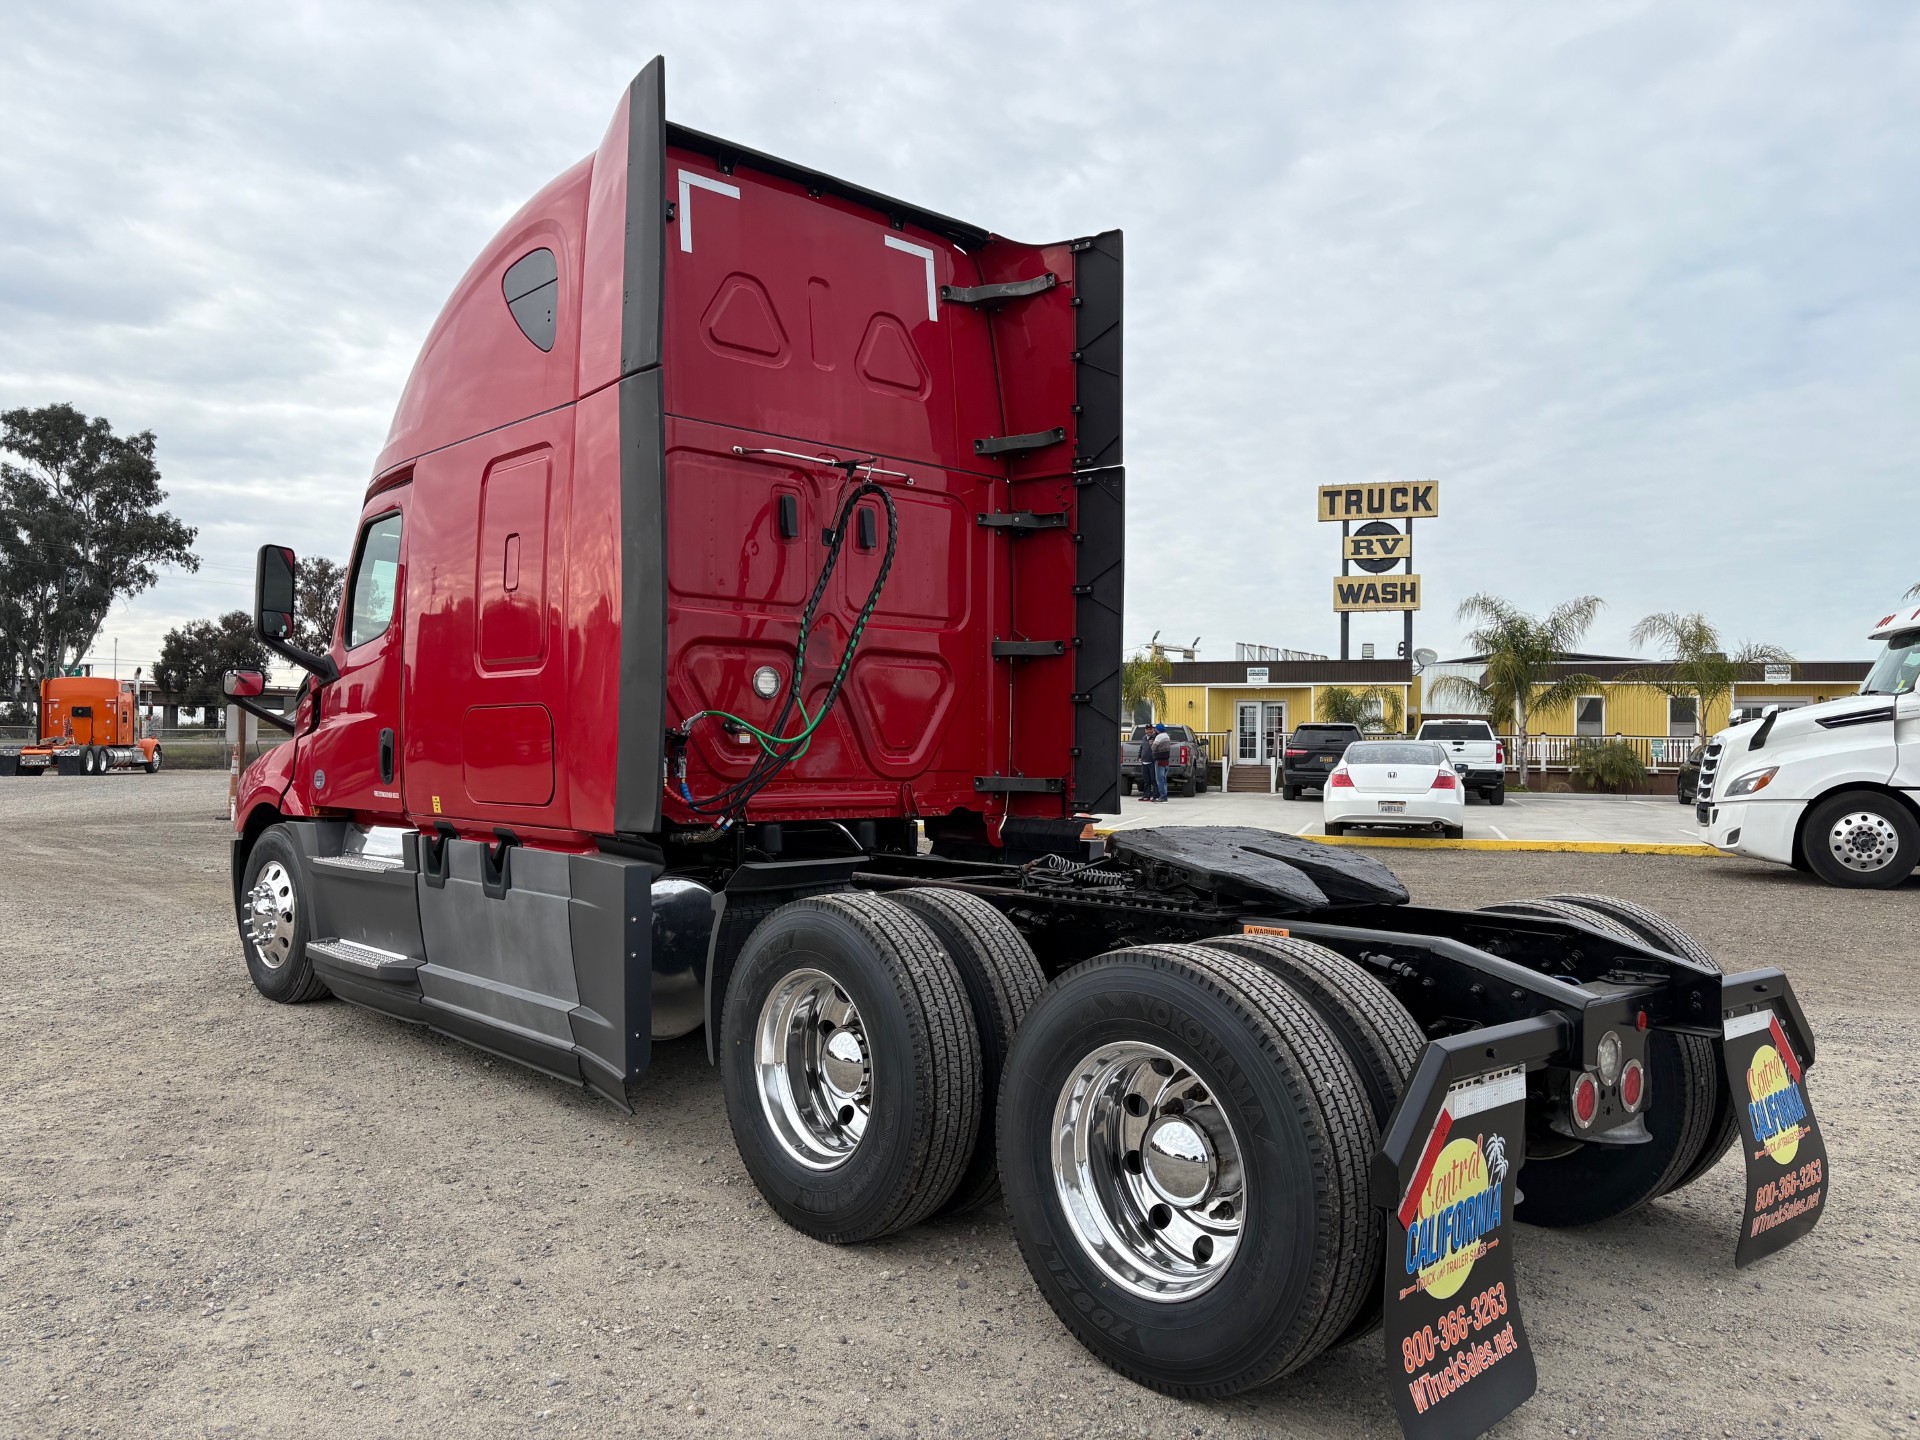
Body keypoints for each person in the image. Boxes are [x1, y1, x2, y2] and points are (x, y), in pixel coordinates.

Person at [1151, 723, 1173, 801]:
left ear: (1157, 730)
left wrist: (1151, 744)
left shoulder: (1159, 737)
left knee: (1159, 779)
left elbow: (1153, 748)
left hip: (1159, 760)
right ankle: (1165, 795)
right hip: (1166, 760)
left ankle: (1163, 796)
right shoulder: (1167, 736)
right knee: (1164, 779)